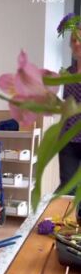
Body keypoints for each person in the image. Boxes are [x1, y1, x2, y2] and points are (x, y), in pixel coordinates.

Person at [58, 26, 81, 195]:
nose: (77, 43)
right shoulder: (67, 73)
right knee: (68, 188)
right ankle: (66, 221)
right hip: (68, 140)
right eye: (73, 40)